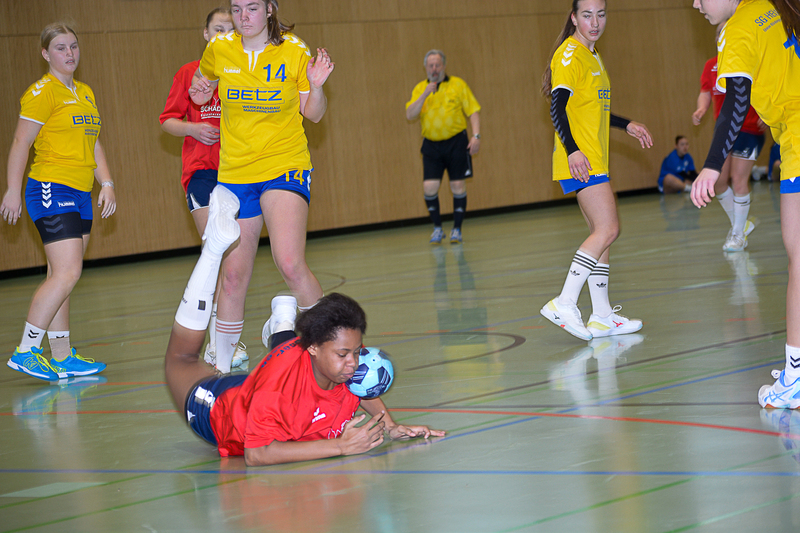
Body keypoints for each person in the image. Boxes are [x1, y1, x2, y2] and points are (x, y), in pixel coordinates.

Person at [165, 185, 445, 465]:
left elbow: (361, 385)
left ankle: (281, 325)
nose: (353, 363)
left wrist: (390, 425)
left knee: (288, 362)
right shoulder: (279, 389)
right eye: (343, 354)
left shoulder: (340, 366)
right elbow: (257, 454)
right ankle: (213, 251)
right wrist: (340, 446)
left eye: (357, 352)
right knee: (181, 358)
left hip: (255, 387)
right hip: (211, 406)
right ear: (313, 347)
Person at [188, 0, 333, 373]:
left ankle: (334, 348)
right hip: (235, 173)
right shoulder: (219, 49)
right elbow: (202, 88)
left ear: (270, 9)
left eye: (252, 8)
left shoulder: (293, 50)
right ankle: (222, 368)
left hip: (284, 164)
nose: (243, 17)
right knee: (233, 276)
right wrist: (200, 91)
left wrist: (316, 87)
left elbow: (314, 113)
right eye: (237, 9)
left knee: (290, 262)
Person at [690, 0, 800, 409]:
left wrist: (711, 165)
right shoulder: (768, 6)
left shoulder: (736, 28)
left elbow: (737, 102)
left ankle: (795, 376)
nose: (696, 4)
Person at [1, 23, 115, 381]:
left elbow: (94, 142)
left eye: (74, 46)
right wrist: (12, 189)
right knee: (68, 272)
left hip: (81, 192)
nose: (69, 53)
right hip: (51, 188)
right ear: (46, 54)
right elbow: (20, 142)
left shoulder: (84, 92)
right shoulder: (42, 92)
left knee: (62, 275)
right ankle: (26, 350)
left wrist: (106, 183)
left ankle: (63, 355)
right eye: (61, 48)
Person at [539, 0, 653, 341]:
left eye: (601, 15)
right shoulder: (569, 55)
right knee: (608, 228)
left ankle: (602, 316)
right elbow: (557, 109)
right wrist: (572, 150)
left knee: (602, 236)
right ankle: (564, 302)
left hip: (594, 158)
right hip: (581, 159)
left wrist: (625, 123)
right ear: (574, 18)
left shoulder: (593, 55)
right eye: (587, 15)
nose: (595, 22)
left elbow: (591, 108)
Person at [159, 8, 247, 370]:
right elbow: (168, 121)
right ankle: (215, 343)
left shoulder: (241, 72)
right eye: (218, 28)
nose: (224, 34)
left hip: (238, 173)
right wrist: (194, 129)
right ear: (206, 33)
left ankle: (222, 340)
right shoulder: (189, 73)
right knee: (216, 247)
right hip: (201, 173)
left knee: (233, 263)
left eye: (230, 29)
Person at [693, 34, 764, 252]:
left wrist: (766, 112)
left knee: (739, 179)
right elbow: (705, 91)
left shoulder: (749, 60)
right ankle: (741, 224)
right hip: (725, 133)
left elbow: (765, 87)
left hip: (750, 130)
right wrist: (701, 109)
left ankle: (737, 235)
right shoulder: (711, 65)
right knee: (718, 182)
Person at [406, 50, 481, 245]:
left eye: (437, 65)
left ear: (444, 66)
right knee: (429, 187)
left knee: (458, 186)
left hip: (456, 142)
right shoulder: (420, 88)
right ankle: (437, 228)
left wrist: (476, 136)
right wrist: (425, 94)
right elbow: (410, 114)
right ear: (425, 68)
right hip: (431, 145)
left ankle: (457, 229)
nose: (434, 69)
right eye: (430, 65)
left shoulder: (458, 84)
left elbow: (473, 111)